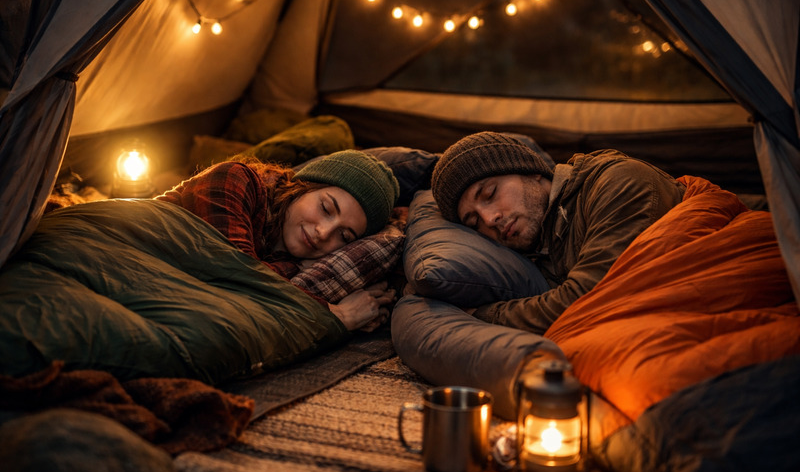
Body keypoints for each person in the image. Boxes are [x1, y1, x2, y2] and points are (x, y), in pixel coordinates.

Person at [430, 131, 686, 334]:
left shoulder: (619, 182)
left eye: (490, 194)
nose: (490, 219)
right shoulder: (535, 248)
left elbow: (590, 300)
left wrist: (481, 314)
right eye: (474, 223)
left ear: (530, 169)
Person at [156, 149, 400, 332]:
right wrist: (337, 315)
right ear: (304, 186)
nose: (323, 233)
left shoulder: (299, 264)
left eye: (344, 236)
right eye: (325, 208)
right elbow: (236, 283)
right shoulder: (234, 179)